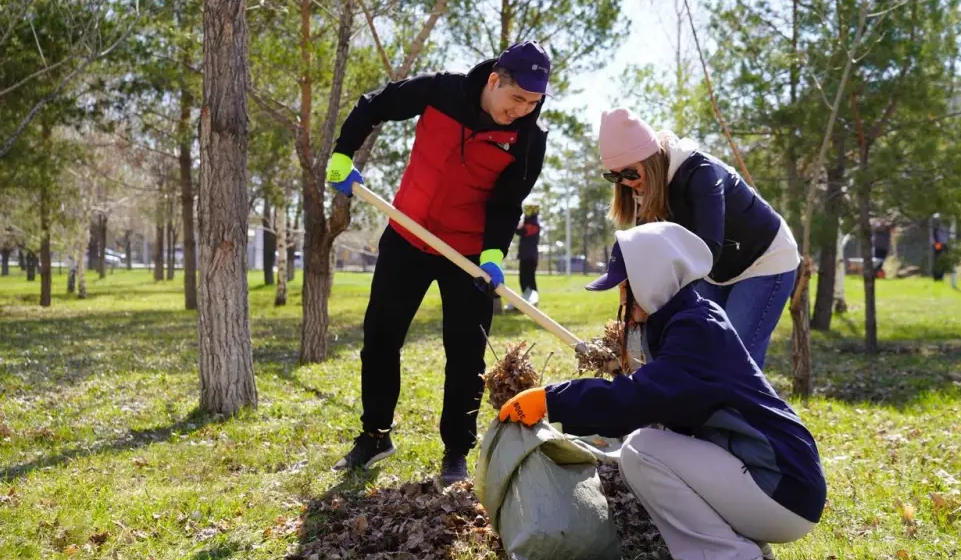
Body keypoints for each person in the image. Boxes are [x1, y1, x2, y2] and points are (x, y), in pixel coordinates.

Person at [498, 222, 826, 560]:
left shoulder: (696, 332)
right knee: (648, 443)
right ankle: (740, 547)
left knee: (642, 449)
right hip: (782, 484)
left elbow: (637, 400)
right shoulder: (688, 320)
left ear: (651, 279)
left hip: (782, 486)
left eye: (625, 284)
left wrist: (553, 400)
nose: (621, 295)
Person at [326, 41, 551, 484]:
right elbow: (377, 105)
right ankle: (374, 436)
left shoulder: (528, 139)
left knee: (466, 355)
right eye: (516, 99)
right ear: (494, 80)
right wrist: (342, 153)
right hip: (407, 233)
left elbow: (508, 202)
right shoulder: (442, 91)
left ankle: (456, 451)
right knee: (381, 338)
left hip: (466, 255)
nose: (522, 110)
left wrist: (491, 255)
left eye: (533, 103)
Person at [598, 108, 799, 369]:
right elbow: (643, 257)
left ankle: (745, 410)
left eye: (631, 173)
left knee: (735, 359)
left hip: (764, 261)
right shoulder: (641, 189)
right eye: (615, 176)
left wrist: (658, 305)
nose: (625, 182)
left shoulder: (700, 173)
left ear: (651, 159)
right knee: (697, 348)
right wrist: (637, 302)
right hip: (712, 269)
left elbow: (707, 249)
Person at [512, 203, 541, 307]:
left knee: (529, 280)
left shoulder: (534, 225)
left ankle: (533, 302)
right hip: (525, 256)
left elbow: (520, 231)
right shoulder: (528, 224)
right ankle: (526, 301)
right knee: (523, 279)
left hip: (530, 257)